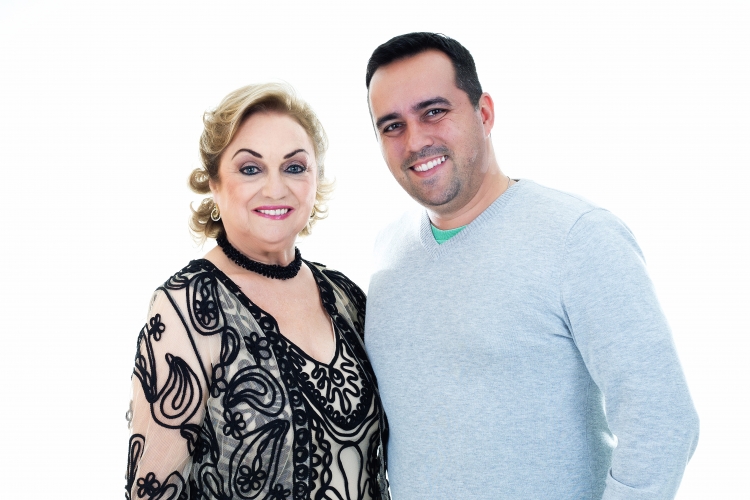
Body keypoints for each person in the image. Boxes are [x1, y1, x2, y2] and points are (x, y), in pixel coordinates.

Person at [363, 32, 699, 499]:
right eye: (392, 126)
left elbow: (662, 420)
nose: (416, 139)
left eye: (434, 112)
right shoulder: (387, 252)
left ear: (484, 113)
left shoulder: (578, 236)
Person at [125, 83, 389, 500]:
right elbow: (152, 492)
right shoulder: (188, 306)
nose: (275, 188)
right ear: (214, 183)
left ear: (316, 179)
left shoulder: (346, 296)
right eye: (250, 169)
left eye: (294, 167)